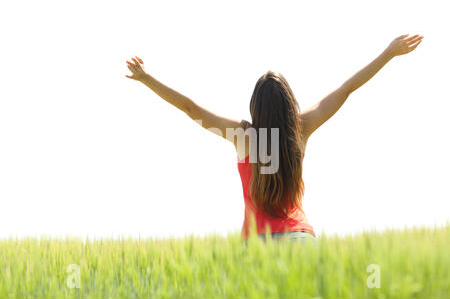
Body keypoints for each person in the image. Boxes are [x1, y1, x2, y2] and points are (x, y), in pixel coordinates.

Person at [125, 34, 423, 243]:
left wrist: (145, 78)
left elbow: (191, 108)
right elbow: (346, 89)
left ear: (255, 106)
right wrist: (388, 54)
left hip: (257, 244)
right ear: (289, 101)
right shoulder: (302, 128)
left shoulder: (242, 136)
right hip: (301, 239)